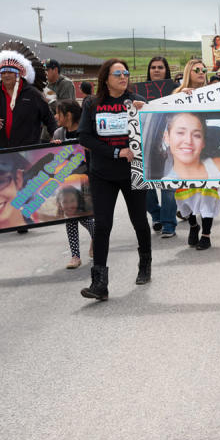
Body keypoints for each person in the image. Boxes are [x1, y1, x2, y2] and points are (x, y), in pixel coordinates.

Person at [77, 59, 150, 300]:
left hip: (133, 172)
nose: (123, 77)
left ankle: (145, 265)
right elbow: (85, 138)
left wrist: (145, 111)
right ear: (105, 78)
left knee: (139, 220)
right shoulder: (92, 104)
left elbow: (156, 126)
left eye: (126, 73)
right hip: (102, 173)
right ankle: (99, 283)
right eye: (117, 73)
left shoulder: (136, 100)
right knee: (102, 226)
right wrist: (116, 152)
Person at [160, 112, 220, 250]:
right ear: (168, 138)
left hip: (206, 185)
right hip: (184, 186)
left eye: (196, 135)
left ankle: (206, 235)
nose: (188, 140)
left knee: (208, 202)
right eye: (180, 133)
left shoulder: (216, 164)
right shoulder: (169, 166)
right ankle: (194, 226)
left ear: (203, 142)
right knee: (186, 205)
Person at [0, 50, 57, 150]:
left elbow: (49, 118)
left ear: (19, 74)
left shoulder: (33, 93)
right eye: (3, 72)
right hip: (2, 148)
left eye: (10, 72)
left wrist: (55, 136)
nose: (6, 75)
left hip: (29, 148)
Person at [51, 100, 94, 268]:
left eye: (58, 113)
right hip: (67, 183)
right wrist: (53, 148)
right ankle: (75, 256)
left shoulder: (85, 131)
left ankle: (96, 235)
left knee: (85, 217)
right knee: (70, 217)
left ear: (68, 115)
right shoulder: (58, 134)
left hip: (86, 182)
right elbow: (52, 158)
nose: (55, 117)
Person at [145, 56, 178, 238]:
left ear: (166, 70)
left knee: (168, 186)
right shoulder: (138, 93)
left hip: (171, 143)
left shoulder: (175, 91)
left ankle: (168, 224)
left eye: (160, 67)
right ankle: (156, 215)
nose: (156, 70)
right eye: (153, 67)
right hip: (146, 145)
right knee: (145, 187)